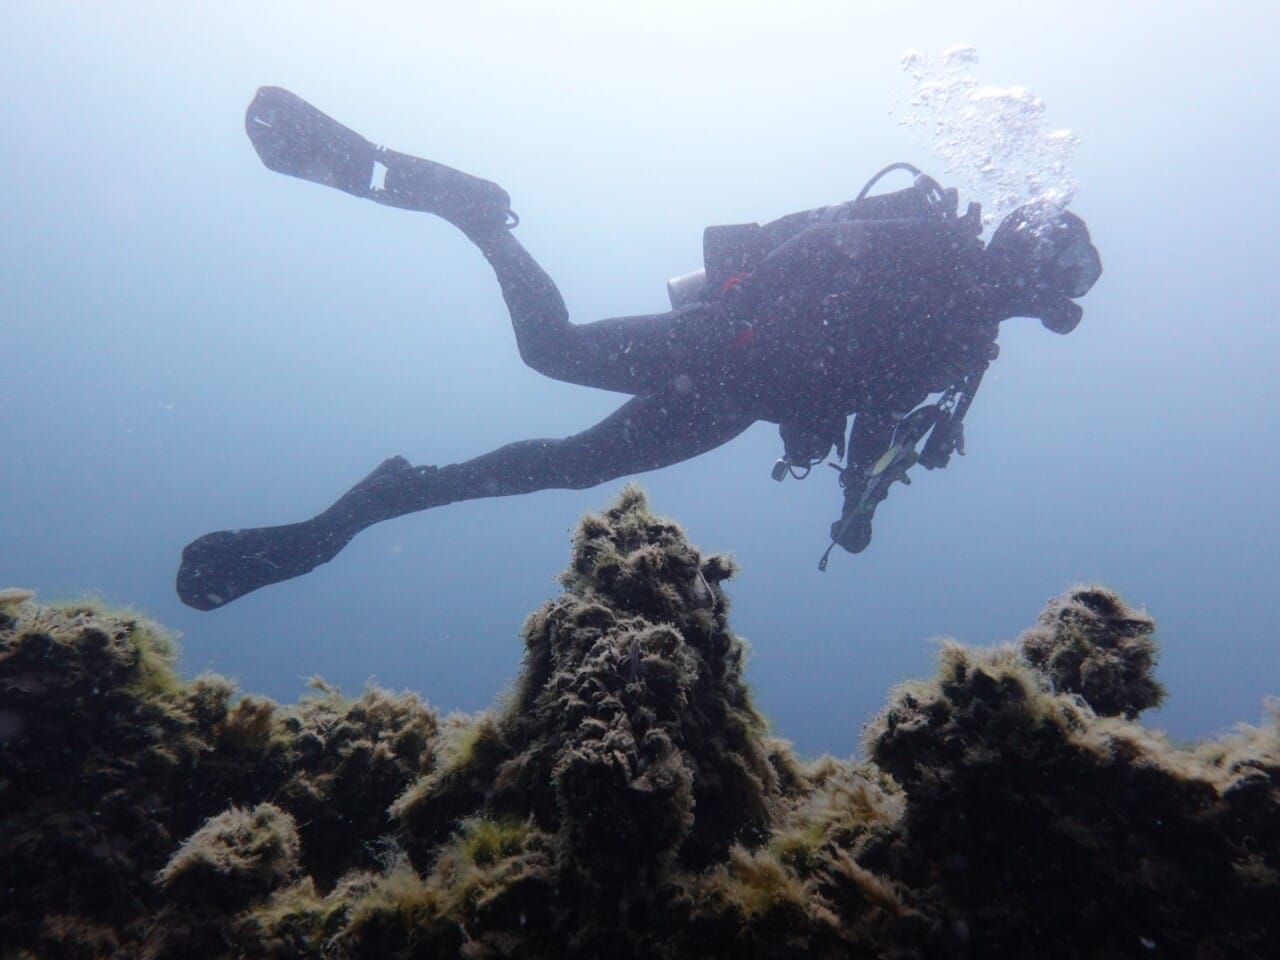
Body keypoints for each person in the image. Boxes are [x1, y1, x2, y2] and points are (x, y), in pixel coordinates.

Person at [176, 87, 1102, 611]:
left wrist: (860, 502)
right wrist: (754, 315)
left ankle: (370, 507)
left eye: (1066, 286)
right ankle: (476, 216)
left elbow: (878, 417)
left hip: (738, 401)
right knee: (550, 350)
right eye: (1058, 271)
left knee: (568, 468)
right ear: (1025, 247)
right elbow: (816, 249)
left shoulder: (966, 349)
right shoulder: (934, 244)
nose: (1054, 297)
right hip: (729, 343)